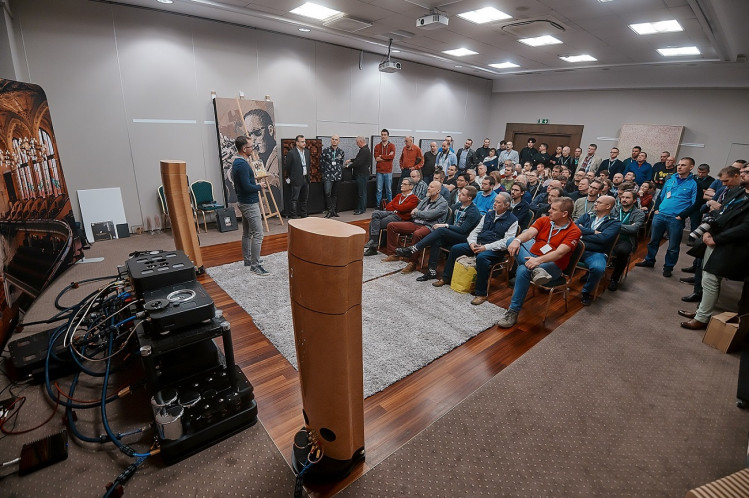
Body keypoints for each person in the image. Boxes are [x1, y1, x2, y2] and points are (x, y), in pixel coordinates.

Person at [678, 163, 749, 330]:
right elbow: (721, 212)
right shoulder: (739, 192)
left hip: (731, 245)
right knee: (706, 278)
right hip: (714, 237)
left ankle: (702, 318)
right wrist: (708, 231)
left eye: (746, 172)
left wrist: (716, 239)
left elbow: (745, 228)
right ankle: (701, 312)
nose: (742, 174)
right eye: (742, 171)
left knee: (711, 280)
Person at [497, 198, 582, 328]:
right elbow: (529, 234)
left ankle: (513, 311)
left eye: (553, 209)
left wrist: (537, 261)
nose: (549, 211)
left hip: (552, 265)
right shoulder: (544, 220)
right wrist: (517, 241)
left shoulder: (574, 231)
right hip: (533, 257)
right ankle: (536, 270)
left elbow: (559, 253)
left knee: (523, 270)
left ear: (564, 213)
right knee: (511, 241)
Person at [433, 192, 518, 304]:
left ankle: (481, 294)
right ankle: (446, 278)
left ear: (506, 205)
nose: (494, 204)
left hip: (495, 250)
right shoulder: (489, 214)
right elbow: (476, 231)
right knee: (455, 249)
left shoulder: (513, 220)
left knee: (482, 258)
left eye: (498, 202)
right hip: (479, 244)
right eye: (495, 201)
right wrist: (472, 243)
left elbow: (506, 242)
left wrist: (485, 247)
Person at [396, 185, 481, 280]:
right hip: (453, 233)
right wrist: (447, 226)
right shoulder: (456, 206)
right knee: (436, 241)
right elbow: (450, 222)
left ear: (469, 198)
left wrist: (445, 226)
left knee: (441, 230)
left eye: (463, 194)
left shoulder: (473, 212)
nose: (460, 195)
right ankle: (431, 271)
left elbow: (463, 230)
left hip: (464, 238)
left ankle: (414, 248)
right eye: (460, 193)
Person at [635, 157, 699, 277]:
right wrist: (657, 209)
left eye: (683, 165)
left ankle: (668, 267)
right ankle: (649, 260)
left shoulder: (694, 183)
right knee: (653, 241)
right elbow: (661, 196)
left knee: (673, 246)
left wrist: (682, 216)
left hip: (675, 219)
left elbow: (695, 203)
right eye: (679, 165)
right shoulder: (670, 179)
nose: (679, 167)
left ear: (691, 167)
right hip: (660, 215)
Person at [382, 181, 449, 262]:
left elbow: (429, 215)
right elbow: (412, 213)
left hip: (429, 226)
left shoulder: (443, 203)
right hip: (416, 223)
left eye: (431, 187)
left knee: (417, 234)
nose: (428, 188)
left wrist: (417, 213)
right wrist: (418, 213)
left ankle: (413, 262)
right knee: (391, 225)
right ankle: (394, 254)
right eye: (428, 186)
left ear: (438, 190)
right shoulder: (426, 199)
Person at [231, 136, 267, 276]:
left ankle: (248, 260)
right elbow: (246, 187)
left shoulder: (237, 162)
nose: (253, 148)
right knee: (258, 234)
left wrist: (254, 183)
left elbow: (244, 184)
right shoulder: (242, 165)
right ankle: (255, 265)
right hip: (249, 203)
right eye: (251, 146)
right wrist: (259, 186)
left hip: (244, 202)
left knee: (247, 233)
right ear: (244, 149)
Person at [574, 195, 620, 305]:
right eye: (596, 202)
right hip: (577, 249)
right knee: (557, 253)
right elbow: (574, 227)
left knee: (598, 268)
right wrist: (592, 232)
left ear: (608, 206)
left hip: (596, 252)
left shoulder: (615, 223)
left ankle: (586, 292)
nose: (595, 203)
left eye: (599, 202)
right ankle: (555, 281)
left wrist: (582, 235)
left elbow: (603, 239)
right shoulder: (588, 215)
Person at [364, 177, 419, 256]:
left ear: (411, 186)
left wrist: (395, 205)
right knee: (375, 213)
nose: (401, 185)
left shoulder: (414, 198)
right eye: (402, 183)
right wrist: (397, 207)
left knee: (373, 223)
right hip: (391, 213)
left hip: (400, 218)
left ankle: (373, 246)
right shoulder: (399, 195)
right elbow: (388, 206)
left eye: (404, 184)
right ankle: (374, 242)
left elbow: (404, 208)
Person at [608, 189, 646, 290]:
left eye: (628, 198)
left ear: (634, 200)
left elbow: (634, 229)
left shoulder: (639, 214)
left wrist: (614, 225)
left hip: (625, 240)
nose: (624, 199)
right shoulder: (614, 209)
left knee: (623, 251)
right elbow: (606, 223)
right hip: (610, 237)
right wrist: (627, 227)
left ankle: (614, 279)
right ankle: (589, 273)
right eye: (623, 197)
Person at [244, 108, 279, 188]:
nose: (252, 139)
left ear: (270, 130)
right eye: (249, 135)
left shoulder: (280, 154)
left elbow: (280, 183)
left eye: (257, 132)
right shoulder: (254, 156)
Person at [284, 134, 311, 218]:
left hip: (305, 178)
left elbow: (308, 164)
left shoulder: (307, 152)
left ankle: (304, 214)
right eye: (302, 142)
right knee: (294, 198)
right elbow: (288, 166)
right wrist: (292, 176)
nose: (304, 143)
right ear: (297, 143)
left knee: (304, 198)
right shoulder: (291, 153)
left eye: (304, 141)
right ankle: (293, 215)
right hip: (296, 178)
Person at [345, 136, 372, 215]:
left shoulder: (364, 151)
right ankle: (361, 207)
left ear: (360, 141)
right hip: (363, 174)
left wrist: (349, 166)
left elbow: (358, 162)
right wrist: (351, 160)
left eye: (357, 143)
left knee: (361, 192)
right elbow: (358, 159)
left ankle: (361, 209)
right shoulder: (365, 150)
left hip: (362, 174)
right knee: (362, 192)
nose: (357, 144)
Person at [320, 135, 345, 218]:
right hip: (328, 175)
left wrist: (339, 171)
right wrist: (325, 172)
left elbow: (341, 163)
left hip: (337, 175)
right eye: (333, 139)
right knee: (327, 193)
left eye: (336, 139)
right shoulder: (325, 151)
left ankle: (333, 210)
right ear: (331, 140)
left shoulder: (341, 152)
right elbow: (322, 163)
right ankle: (330, 210)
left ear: (338, 141)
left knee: (335, 194)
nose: (334, 141)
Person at [374, 128, 396, 208]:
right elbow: (376, 158)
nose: (383, 136)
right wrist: (387, 157)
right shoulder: (377, 146)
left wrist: (382, 156)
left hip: (388, 171)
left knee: (389, 190)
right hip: (379, 171)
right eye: (382, 135)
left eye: (385, 135)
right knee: (379, 190)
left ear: (388, 136)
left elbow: (392, 157)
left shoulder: (392, 146)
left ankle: (390, 206)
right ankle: (378, 206)